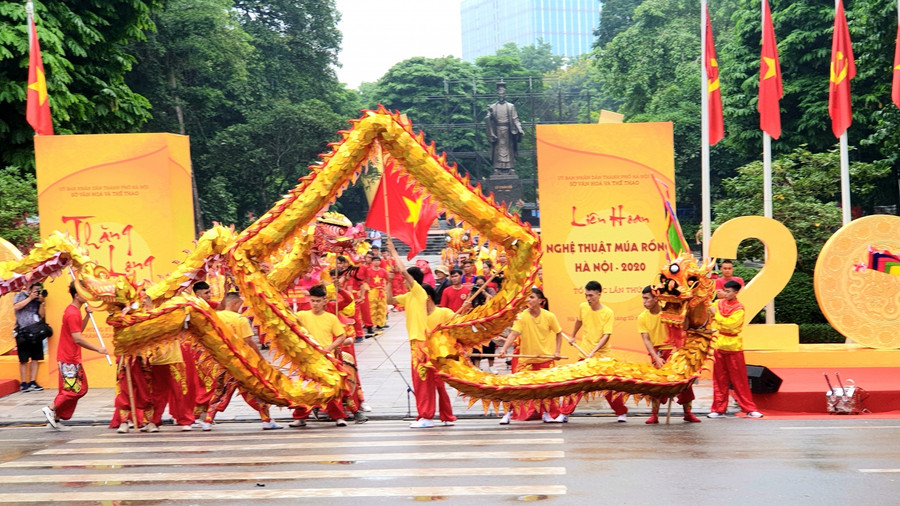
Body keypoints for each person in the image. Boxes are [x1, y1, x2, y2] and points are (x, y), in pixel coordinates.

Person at [384, 239, 457, 428]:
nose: (403, 279)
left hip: (421, 342)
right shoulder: (409, 296)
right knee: (434, 380)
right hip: (419, 342)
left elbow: (403, 272)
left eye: (406, 277)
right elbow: (390, 300)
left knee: (422, 379)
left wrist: (393, 251)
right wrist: (390, 282)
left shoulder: (418, 292)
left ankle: (426, 417)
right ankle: (446, 416)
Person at [205, 292, 284, 430]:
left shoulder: (215, 317)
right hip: (241, 362)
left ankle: (207, 421)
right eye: (240, 305)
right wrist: (259, 358)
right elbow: (248, 341)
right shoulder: (240, 319)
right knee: (256, 390)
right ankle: (266, 420)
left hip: (222, 361)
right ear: (235, 304)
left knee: (220, 391)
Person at [290, 285, 363, 427]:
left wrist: (329, 348)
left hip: (326, 359)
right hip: (308, 359)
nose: (315, 304)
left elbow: (342, 336)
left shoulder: (331, 318)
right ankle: (300, 417)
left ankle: (338, 417)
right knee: (305, 388)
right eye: (312, 301)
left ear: (324, 301)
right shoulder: (302, 315)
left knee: (332, 388)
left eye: (318, 301)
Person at [41, 282, 108, 430]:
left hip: (70, 357)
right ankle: (51, 408)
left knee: (72, 389)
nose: (87, 295)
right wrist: (98, 349)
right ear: (77, 295)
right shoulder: (72, 312)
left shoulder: (74, 311)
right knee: (76, 389)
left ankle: (56, 418)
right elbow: (77, 338)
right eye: (83, 292)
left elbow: (78, 331)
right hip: (69, 358)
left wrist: (87, 316)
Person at [562, 281, 628, 422]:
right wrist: (573, 336)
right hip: (584, 352)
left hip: (602, 356)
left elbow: (606, 335)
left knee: (609, 386)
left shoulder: (608, 312)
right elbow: (579, 321)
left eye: (591, 295)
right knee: (577, 384)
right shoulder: (583, 307)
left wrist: (594, 352)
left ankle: (621, 412)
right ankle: (564, 413)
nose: (588, 298)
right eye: (586, 295)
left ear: (599, 294)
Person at [498, 287, 564, 424]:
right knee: (518, 387)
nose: (528, 300)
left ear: (541, 300)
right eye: (528, 297)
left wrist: (557, 351)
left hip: (545, 359)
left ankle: (548, 414)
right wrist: (504, 349)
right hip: (527, 360)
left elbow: (559, 333)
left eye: (532, 297)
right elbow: (513, 334)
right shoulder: (522, 316)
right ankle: (508, 413)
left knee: (547, 390)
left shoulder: (549, 316)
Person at [638, 286, 701, 424]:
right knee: (656, 384)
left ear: (656, 299)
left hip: (674, 350)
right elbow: (646, 340)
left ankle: (688, 413)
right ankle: (654, 415)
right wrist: (656, 357)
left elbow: (683, 327)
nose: (644, 302)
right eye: (643, 298)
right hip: (657, 352)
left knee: (685, 382)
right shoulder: (642, 317)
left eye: (646, 298)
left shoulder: (668, 312)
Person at [708, 280, 763, 419]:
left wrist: (717, 316)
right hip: (719, 345)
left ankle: (749, 408)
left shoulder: (739, 308)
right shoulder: (718, 304)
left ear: (736, 292)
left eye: (728, 291)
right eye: (724, 290)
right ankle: (718, 409)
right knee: (719, 380)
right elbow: (709, 315)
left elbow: (731, 325)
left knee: (740, 380)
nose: (725, 294)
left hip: (734, 346)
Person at [485, 81, 524, 175]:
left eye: (503, 94)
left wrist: (519, 129)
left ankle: (510, 167)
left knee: (509, 148)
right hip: (497, 130)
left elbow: (515, 119)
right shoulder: (493, 106)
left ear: (505, 94)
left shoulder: (510, 106)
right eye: (499, 94)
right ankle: (497, 168)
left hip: (508, 130)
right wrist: (490, 114)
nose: (501, 95)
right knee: (497, 149)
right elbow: (488, 118)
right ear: (497, 94)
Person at [13, 282, 47, 391]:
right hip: (23, 331)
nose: (37, 292)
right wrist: (30, 298)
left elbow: (42, 315)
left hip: (36, 331)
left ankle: (33, 381)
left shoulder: (38, 300)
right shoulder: (20, 295)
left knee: (35, 358)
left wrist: (42, 303)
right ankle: (23, 383)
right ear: (30, 288)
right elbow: (17, 306)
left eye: (39, 290)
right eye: (36, 290)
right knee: (23, 359)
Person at [364, 256, 389, 330]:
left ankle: (380, 323)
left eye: (378, 260)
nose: (376, 262)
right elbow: (366, 281)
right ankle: (371, 323)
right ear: (372, 262)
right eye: (374, 260)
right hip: (372, 291)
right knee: (372, 307)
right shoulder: (368, 270)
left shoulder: (383, 271)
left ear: (380, 262)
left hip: (381, 291)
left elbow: (388, 280)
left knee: (381, 307)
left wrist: (385, 288)